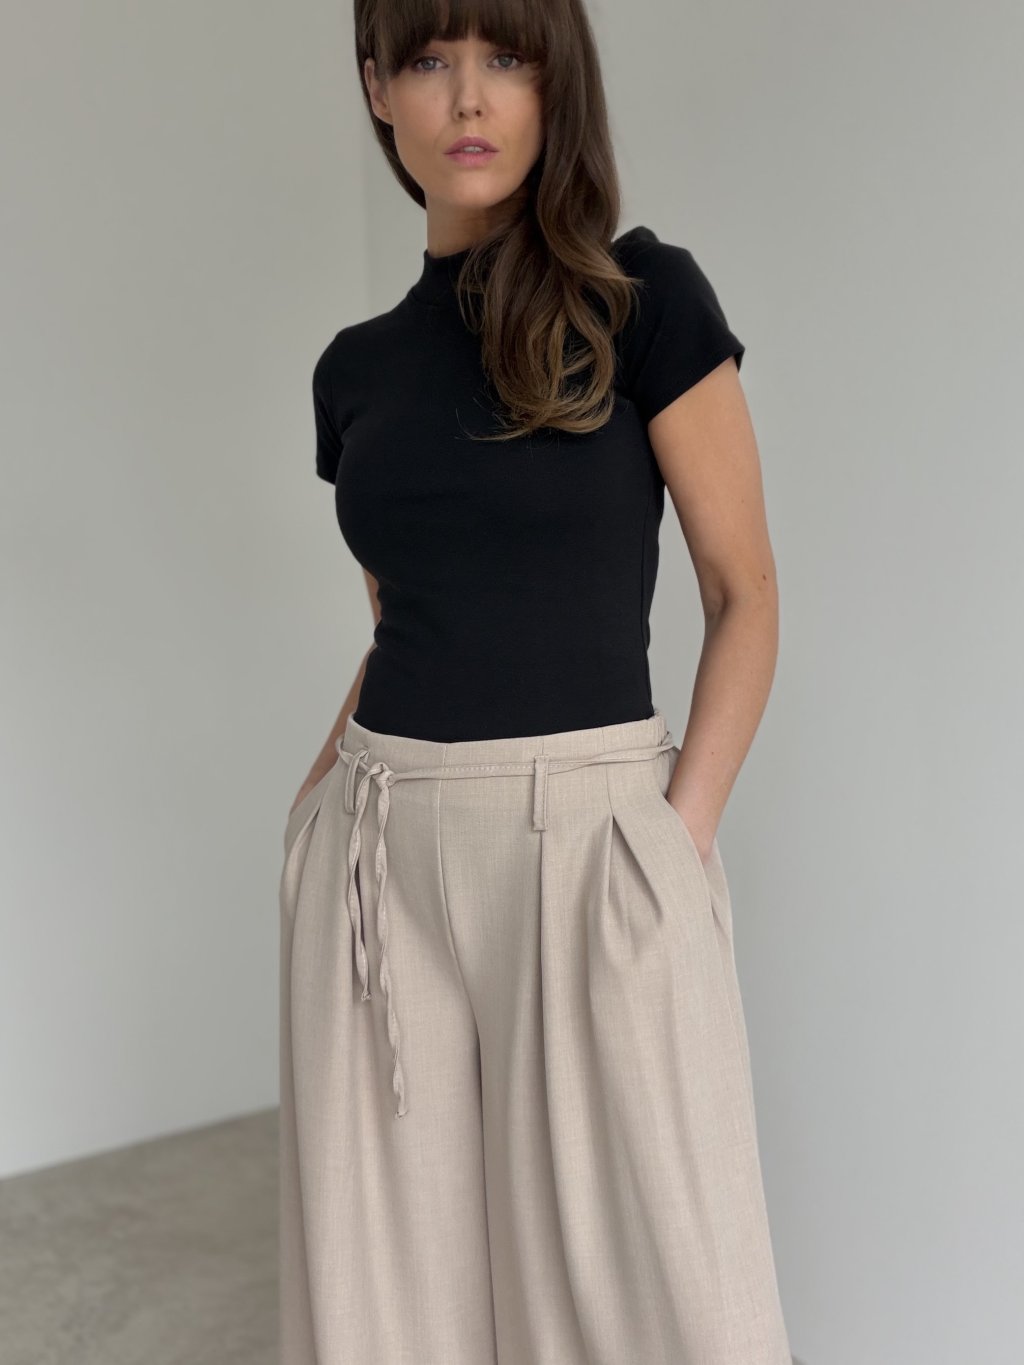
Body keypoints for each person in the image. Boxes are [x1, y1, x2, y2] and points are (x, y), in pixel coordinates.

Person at [278, 1, 792, 1361]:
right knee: (394, 1304)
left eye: (505, 57)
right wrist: (312, 814)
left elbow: (743, 595)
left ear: (554, 83)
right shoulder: (353, 374)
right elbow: (400, 615)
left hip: (590, 849)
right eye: (429, 60)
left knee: (659, 1304)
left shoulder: (642, 300)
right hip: (381, 850)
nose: (468, 97)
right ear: (377, 89)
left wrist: (670, 844)